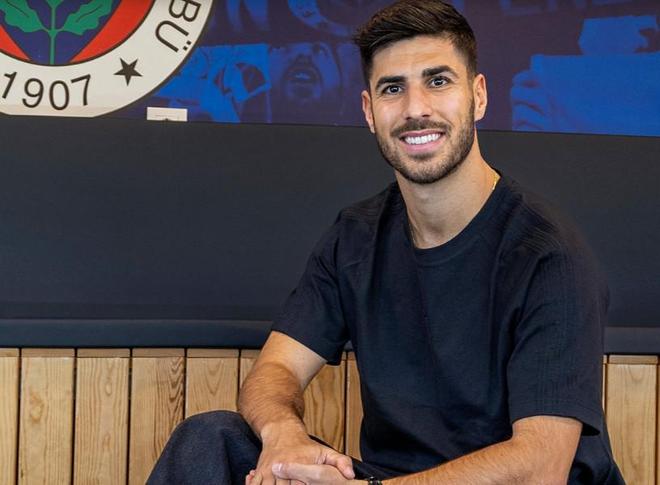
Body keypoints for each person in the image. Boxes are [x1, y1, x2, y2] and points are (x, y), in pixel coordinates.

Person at [147, 1, 624, 483]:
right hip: (387, 478)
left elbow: (541, 468)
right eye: (393, 88)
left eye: (438, 81)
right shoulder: (356, 237)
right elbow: (276, 369)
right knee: (209, 439)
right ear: (369, 111)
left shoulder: (548, 255)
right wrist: (283, 436)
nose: (416, 108)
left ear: (478, 96)